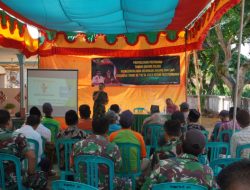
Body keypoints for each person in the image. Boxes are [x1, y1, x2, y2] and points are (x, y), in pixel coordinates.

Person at [142, 129, 214, 189]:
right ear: (202, 151)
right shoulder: (208, 172)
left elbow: (146, 188)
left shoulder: (162, 166)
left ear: (180, 146)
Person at [72, 117, 128, 189]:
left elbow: (73, 167)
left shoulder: (77, 145)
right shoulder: (113, 147)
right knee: (128, 182)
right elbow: (118, 168)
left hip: (83, 184)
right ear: (107, 130)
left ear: (92, 129)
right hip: (106, 185)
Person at [0, 109, 47, 189]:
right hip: (15, 180)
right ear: (8, 121)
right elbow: (32, 157)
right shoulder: (17, 136)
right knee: (41, 177)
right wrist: (31, 174)